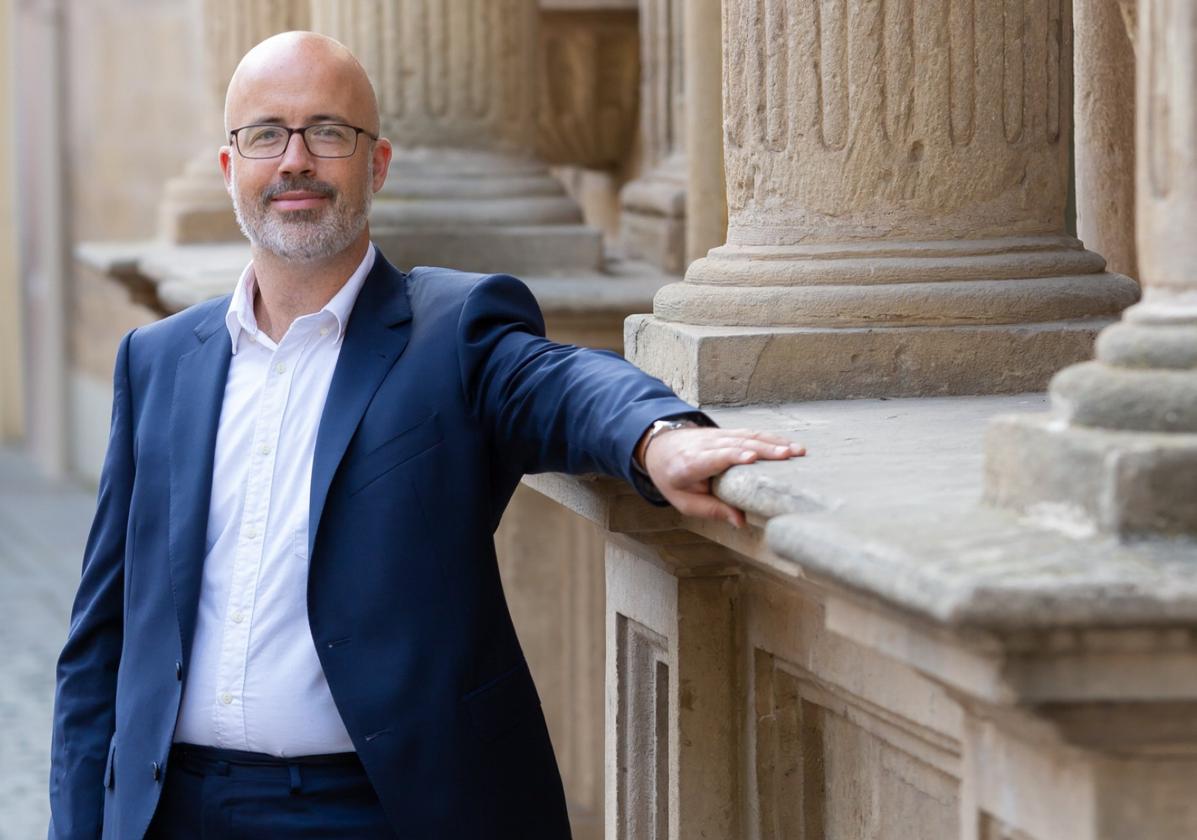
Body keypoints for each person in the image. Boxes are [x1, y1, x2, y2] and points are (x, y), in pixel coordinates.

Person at [47, 31, 804, 840]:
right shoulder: (158, 361)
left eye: (328, 132)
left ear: (375, 165)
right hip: (174, 812)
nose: (295, 159)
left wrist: (655, 437)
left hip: (378, 810)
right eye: (266, 134)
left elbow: (558, 383)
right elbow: (100, 639)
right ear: (233, 170)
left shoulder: (449, 329)